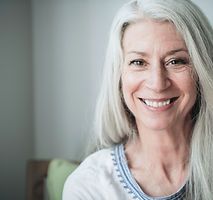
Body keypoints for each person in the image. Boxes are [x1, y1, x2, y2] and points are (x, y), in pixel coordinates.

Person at [63, 0, 213, 199]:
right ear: (119, 76)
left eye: (175, 61)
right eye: (139, 62)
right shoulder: (89, 185)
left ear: (202, 70)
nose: (157, 83)